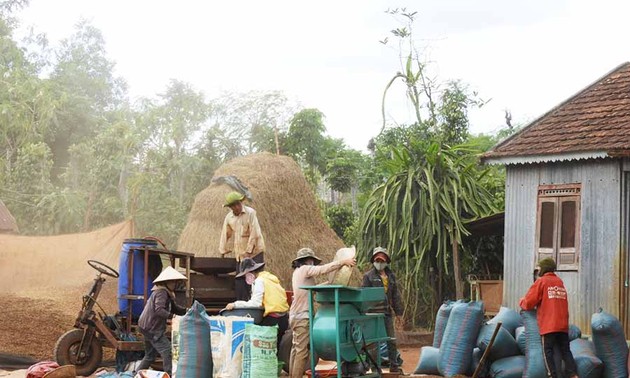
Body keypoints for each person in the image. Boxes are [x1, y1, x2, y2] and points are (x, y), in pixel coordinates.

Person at [288, 247, 356, 378]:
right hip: (302, 316)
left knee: (296, 350)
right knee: (302, 353)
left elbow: (312, 289)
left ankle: (292, 375)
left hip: (295, 315)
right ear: (306, 260)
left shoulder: (298, 273)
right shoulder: (305, 269)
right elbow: (323, 269)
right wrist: (342, 262)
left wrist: (329, 283)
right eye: (311, 260)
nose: (312, 262)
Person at [520, 257, 578, 378]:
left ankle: (552, 375)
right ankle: (573, 374)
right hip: (562, 325)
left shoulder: (542, 282)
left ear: (544, 268)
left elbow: (529, 302)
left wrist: (522, 302)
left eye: (540, 267)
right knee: (565, 350)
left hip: (549, 325)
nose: (538, 270)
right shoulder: (559, 282)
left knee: (548, 352)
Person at [225, 258, 289, 346]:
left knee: (256, 341)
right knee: (274, 350)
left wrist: (235, 304)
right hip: (284, 318)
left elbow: (255, 304)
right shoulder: (270, 278)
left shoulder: (259, 281)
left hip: (273, 320)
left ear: (250, 273)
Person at [137, 266, 187, 376]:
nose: (175, 284)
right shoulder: (161, 292)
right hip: (151, 328)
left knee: (150, 356)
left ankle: (136, 374)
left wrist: (187, 311)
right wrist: (173, 316)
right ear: (166, 282)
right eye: (173, 282)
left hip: (146, 326)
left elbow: (175, 308)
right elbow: (159, 310)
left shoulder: (167, 294)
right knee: (167, 351)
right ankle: (168, 375)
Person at [361, 247, 403, 374]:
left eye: (381, 260)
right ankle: (375, 368)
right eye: (377, 260)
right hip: (373, 314)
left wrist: (399, 312)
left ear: (386, 261)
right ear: (373, 261)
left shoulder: (391, 276)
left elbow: (395, 295)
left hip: (387, 312)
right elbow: (364, 295)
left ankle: (394, 366)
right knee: (373, 342)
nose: (379, 262)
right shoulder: (368, 276)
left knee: (391, 340)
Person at [219, 191, 266, 301]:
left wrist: (249, 252)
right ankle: (241, 306)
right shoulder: (229, 218)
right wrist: (223, 249)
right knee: (240, 282)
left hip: (254, 253)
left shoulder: (250, 213)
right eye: (234, 205)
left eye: (238, 203)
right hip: (240, 256)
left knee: (254, 281)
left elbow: (255, 233)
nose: (237, 207)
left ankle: (255, 305)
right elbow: (225, 233)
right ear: (230, 207)